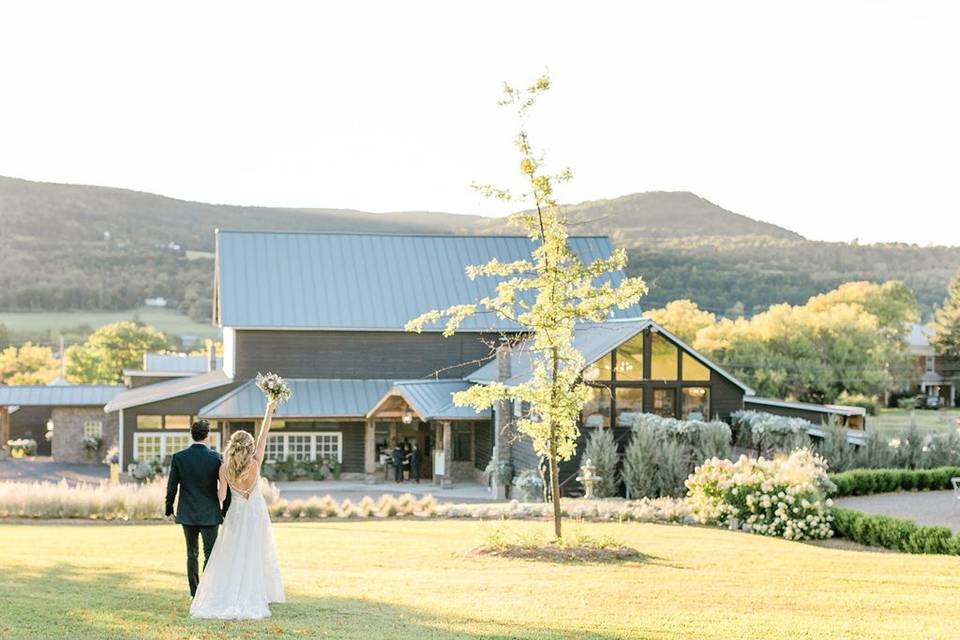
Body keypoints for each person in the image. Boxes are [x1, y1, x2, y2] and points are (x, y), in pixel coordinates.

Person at [190, 397, 285, 619]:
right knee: (254, 552)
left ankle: (230, 592)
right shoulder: (256, 462)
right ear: (250, 447)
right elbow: (264, 434)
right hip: (256, 513)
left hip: (236, 514)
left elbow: (221, 496)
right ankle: (254, 592)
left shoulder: (224, 469)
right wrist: (269, 409)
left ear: (232, 447)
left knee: (232, 554)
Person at [166, 419, 231, 598]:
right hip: (210, 513)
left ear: (191, 434)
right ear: (207, 435)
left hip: (187, 513)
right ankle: (207, 592)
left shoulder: (179, 457)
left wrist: (168, 509)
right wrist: (225, 511)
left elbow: (172, 487)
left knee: (191, 553)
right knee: (210, 553)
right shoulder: (216, 457)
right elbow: (226, 488)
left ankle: (195, 593)